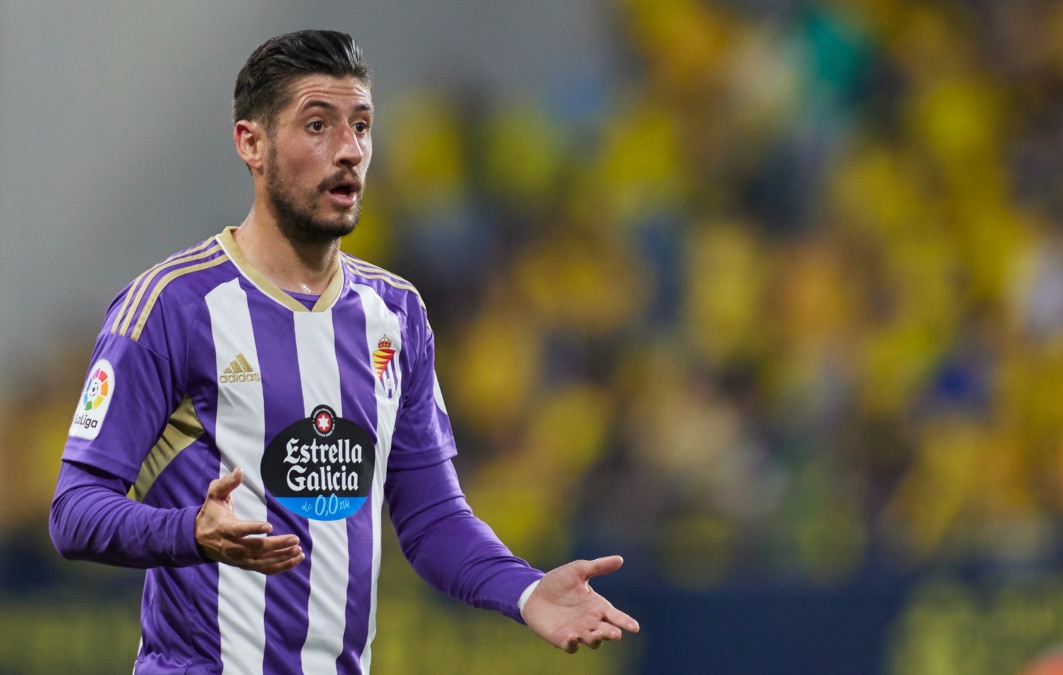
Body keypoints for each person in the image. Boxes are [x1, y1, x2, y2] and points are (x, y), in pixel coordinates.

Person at [49, 29, 639, 674]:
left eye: (361, 125)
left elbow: (432, 518)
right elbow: (74, 511)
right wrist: (187, 531)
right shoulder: (171, 306)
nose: (349, 151)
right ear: (252, 143)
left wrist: (525, 591)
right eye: (318, 125)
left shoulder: (397, 315)